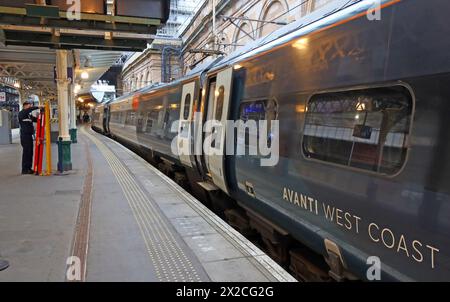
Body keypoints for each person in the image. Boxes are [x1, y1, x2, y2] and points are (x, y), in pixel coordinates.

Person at [18, 101, 41, 175]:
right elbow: (28, 110)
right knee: (26, 152)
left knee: (30, 152)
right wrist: (38, 107)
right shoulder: (22, 113)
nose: (30, 107)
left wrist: (41, 117)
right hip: (24, 136)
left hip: (29, 136)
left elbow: (36, 120)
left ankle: (29, 168)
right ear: (24, 106)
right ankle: (24, 169)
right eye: (29, 106)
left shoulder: (28, 115)